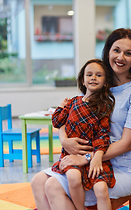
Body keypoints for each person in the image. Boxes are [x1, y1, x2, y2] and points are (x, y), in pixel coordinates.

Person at [31, 28, 131, 210]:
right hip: (86, 160)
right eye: (116, 50)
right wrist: (64, 140)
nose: (121, 57)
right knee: (37, 181)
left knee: (52, 186)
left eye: (128, 53)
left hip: (121, 165)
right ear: (108, 51)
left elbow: (127, 143)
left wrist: (88, 157)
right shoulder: (98, 80)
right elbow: (71, 114)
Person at [50, 59, 116, 210]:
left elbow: (103, 135)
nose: (93, 77)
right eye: (89, 75)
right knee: (73, 176)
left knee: (101, 189)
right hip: (71, 153)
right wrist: (60, 107)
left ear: (105, 82)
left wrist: (98, 156)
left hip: (92, 155)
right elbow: (57, 122)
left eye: (99, 75)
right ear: (83, 80)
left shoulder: (104, 106)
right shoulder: (73, 102)